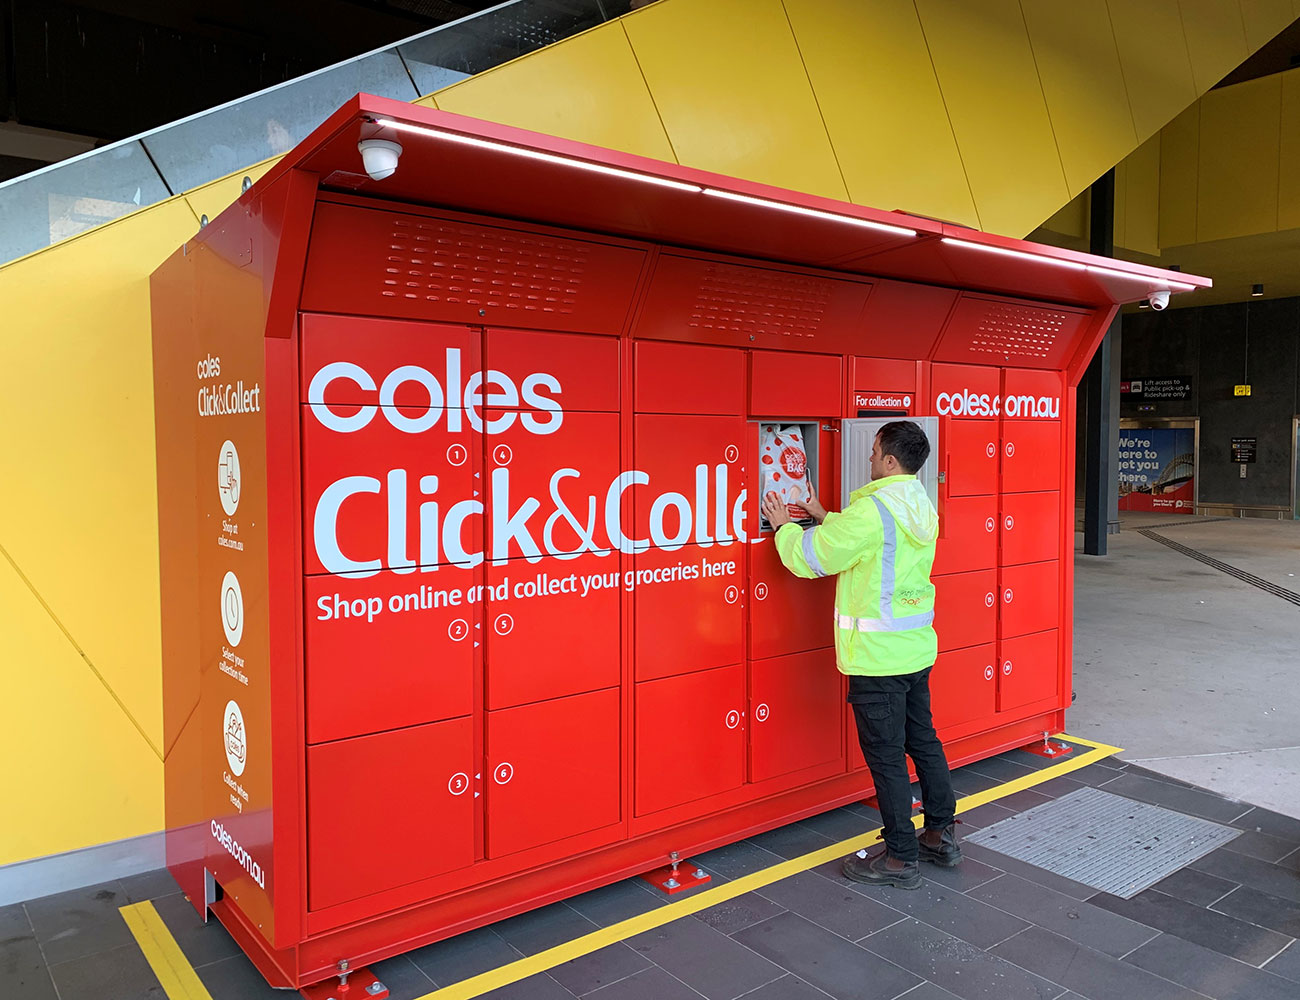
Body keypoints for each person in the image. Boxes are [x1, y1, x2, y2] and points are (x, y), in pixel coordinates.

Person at [760, 420, 959, 890]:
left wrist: (785, 528)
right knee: (924, 742)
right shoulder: (917, 503)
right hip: (914, 650)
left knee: (887, 759)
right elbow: (874, 550)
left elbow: (813, 560)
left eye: (873, 453)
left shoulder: (872, 512)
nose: (868, 459)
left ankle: (899, 858)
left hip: (876, 659)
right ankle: (940, 836)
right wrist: (825, 515)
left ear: (890, 460)